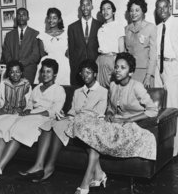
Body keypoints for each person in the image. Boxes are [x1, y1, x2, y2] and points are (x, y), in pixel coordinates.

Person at [66, 52, 158, 194]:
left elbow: (153, 110)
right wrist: (109, 113)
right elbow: (111, 107)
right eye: (116, 67)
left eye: (123, 67)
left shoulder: (136, 86)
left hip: (131, 126)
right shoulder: (113, 85)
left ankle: (86, 182)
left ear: (131, 72)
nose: (118, 70)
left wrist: (128, 119)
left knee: (93, 134)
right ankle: (99, 173)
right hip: (114, 123)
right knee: (85, 127)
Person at [19, 59, 108, 183]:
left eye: (89, 72)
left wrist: (74, 117)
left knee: (59, 126)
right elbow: (72, 110)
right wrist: (64, 114)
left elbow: (99, 114)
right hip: (73, 119)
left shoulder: (103, 92)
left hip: (88, 123)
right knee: (49, 123)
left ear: (95, 74)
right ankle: (39, 165)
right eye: (83, 73)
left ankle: (49, 167)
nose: (85, 76)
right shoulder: (77, 92)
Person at [0, 59, 66, 183]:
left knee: (17, 131)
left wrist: (34, 113)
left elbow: (55, 111)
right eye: (43, 71)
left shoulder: (59, 90)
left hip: (43, 119)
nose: (45, 74)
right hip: (29, 116)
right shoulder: (37, 88)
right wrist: (27, 110)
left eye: (49, 72)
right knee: (2, 124)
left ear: (55, 74)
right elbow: (29, 103)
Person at [154, 0, 178, 156]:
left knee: (173, 107)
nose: (162, 10)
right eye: (159, 8)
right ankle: (164, 147)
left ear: (170, 8)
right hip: (159, 68)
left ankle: (175, 149)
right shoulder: (157, 28)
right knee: (160, 107)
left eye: (165, 7)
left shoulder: (177, 24)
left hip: (174, 67)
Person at [1, 7, 41, 84]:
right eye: (19, 15)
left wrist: (21, 63)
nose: (21, 16)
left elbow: (35, 55)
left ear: (28, 18)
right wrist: (14, 66)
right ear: (16, 18)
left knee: (28, 94)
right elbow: (6, 53)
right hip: (13, 71)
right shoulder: (9, 35)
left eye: (24, 15)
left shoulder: (35, 34)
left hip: (29, 71)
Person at [68, 0, 101, 86]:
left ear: (92, 7)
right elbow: (71, 51)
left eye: (88, 5)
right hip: (78, 69)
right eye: (83, 5)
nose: (85, 7)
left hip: (95, 67)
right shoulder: (72, 27)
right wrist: (74, 69)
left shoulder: (100, 25)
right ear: (80, 7)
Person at [125, 0, 157, 88]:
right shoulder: (127, 29)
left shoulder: (151, 27)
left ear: (143, 11)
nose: (133, 13)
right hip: (130, 72)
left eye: (137, 10)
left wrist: (148, 76)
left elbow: (153, 55)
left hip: (145, 72)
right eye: (131, 10)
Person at [34, 8, 70, 85]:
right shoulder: (42, 36)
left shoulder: (67, 34)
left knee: (64, 88)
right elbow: (42, 54)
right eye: (49, 18)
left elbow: (68, 53)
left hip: (63, 65)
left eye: (54, 18)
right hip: (47, 66)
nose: (51, 20)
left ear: (59, 19)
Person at [96, 0, 124, 88]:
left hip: (113, 60)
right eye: (103, 9)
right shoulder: (100, 29)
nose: (105, 11)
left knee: (113, 89)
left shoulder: (118, 26)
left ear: (113, 11)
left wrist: (119, 65)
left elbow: (121, 49)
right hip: (100, 61)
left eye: (108, 8)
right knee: (100, 90)